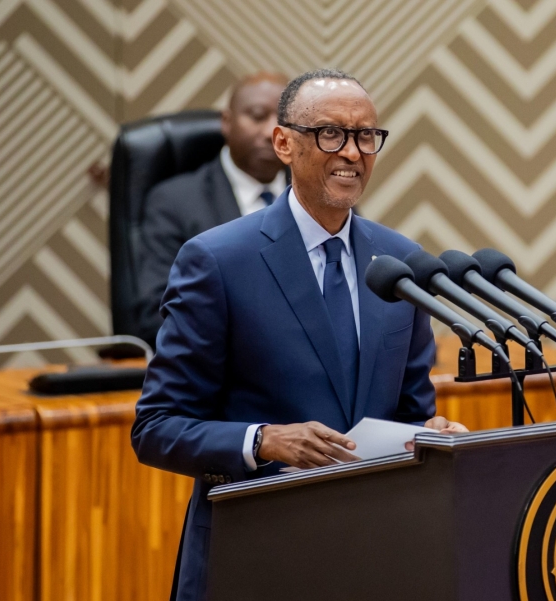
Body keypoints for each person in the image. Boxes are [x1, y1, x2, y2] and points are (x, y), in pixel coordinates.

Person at [131, 69, 468, 601]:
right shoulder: (218, 260)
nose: (353, 152)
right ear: (284, 143)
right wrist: (264, 440)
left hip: (374, 555)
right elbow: (156, 428)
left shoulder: (399, 262)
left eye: (365, 136)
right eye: (331, 133)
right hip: (256, 553)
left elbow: (407, 414)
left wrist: (431, 437)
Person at [135, 72, 289, 346]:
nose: (271, 132)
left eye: (284, 121)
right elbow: (158, 313)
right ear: (227, 122)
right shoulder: (175, 202)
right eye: (257, 116)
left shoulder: (319, 195)